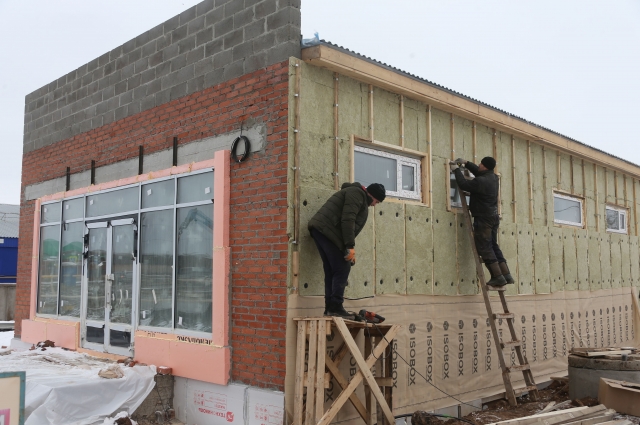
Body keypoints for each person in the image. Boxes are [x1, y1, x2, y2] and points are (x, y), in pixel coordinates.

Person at [308, 182, 386, 317]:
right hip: (326, 231)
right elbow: (348, 219)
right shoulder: (357, 195)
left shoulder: (355, 194)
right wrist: (350, 246)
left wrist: (346, 249)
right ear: (371, 195)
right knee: (342, 268)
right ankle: (335, 307)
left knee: (332, 270)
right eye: (376, 201)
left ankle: (330, 308)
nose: (374, 205)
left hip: (324, 231)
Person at [450, 157, 514, 287]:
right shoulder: (494, 178)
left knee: (485, 247)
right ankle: (506, 274)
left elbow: (464, 185)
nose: (478, 165)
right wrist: (467, 164)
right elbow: (479, 173)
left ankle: (497, 276)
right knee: (493, 245)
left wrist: (456, 170)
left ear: (484, 166)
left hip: (483, 218)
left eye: (480, 164)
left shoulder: (480, 181)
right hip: (493, 216)